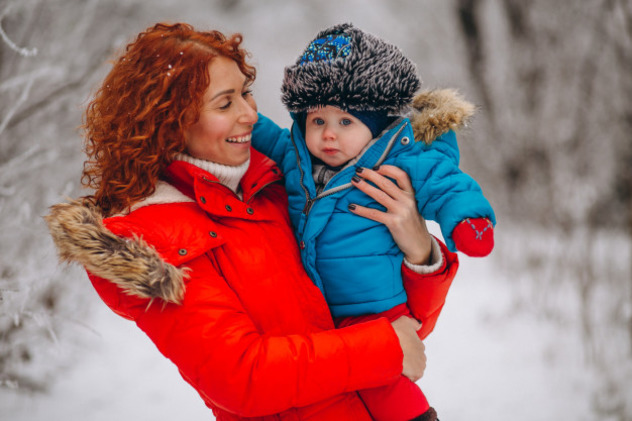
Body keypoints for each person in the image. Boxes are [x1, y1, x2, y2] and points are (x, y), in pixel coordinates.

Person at [44, 22, 459, 421]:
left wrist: (420, 252)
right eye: (225, 104)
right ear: (170, 122)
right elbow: (240, 376)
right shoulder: (149, 236)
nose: (250, 115)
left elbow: (399, 326)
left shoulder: (279, 188)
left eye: (246, 93)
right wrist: (385, 350)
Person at [251, 23, 496, 421]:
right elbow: (258, 131)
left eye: (346, 122)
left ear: (376, 125)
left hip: (376, 310)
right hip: (319, 314)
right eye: (318, 121)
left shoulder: (398, 160)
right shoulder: (295, 157)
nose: (329, 134)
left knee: (384, 384)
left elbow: (446, 183)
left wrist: (468, 221)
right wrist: (236, 109)